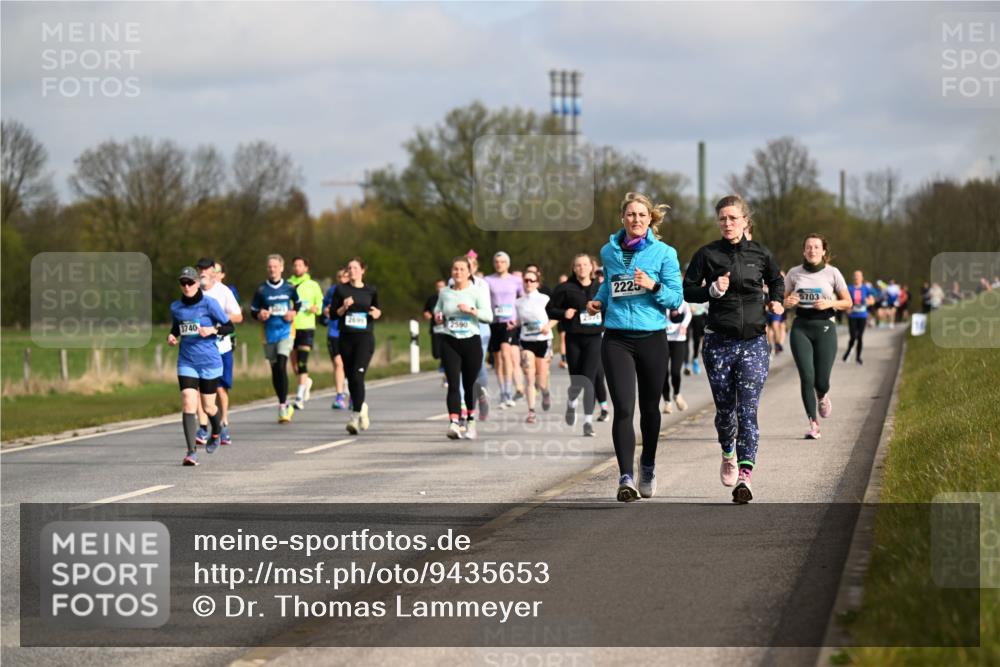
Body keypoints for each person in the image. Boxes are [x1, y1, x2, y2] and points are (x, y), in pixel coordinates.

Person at [683, 195, 784, 504]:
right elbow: (687, 289)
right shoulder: (708, 254)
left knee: (748, 410)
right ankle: (727, 451)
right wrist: (711, 290)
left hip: (753, 342)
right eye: (723, 218)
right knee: (726, 411)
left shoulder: (760, 253)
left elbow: (776, 280)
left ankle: (745, 475)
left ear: (744, 221)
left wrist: (776, 300)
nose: (727, 223)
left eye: (733, 218)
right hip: (718, 343)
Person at [586, 192, 684, 502]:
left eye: (642, 215)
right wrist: (599, 300)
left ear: (650, 219)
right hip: (616, 338)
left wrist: (652, 285)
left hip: (652, 338)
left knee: (649, 410)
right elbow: (609, 284)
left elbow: (676, 299)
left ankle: (648, 465)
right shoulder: (608, 251)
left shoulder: (665, 253)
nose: (636, 220)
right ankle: (625, 477)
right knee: (624, 408)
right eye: (631, 215)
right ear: (622, 219)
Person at [783, 235, 851, 440]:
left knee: (821, 381)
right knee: (806, 376)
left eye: (816, 247)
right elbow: (782, 300)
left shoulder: (833, 273)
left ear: (823, 251)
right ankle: (813, 423)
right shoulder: (794, 273)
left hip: (825, 327)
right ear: (803, 251)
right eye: (808, 247)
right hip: (801, 327)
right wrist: (788, 302)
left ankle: (822, 395)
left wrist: (830, 303)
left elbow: (847, 302)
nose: (812, 250)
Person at [169, 267, 233, 465]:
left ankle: (217, 431)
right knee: (188, 400)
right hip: (187, 361)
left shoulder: (209, 303)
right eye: (183, 283)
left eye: (190, 282)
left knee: (208, 406)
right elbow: (176, 328)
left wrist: (212, 329)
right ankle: (191, 452)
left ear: (197, 283)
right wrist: (172, 336)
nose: (186, 286)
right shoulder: (176, 307)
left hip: (209, 362)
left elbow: (230, 326)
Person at [434, 256, 494, 439]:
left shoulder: (477, 292)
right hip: (450, 341)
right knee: (453, 383)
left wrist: (472, 311)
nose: (458, 272)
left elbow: (488, 316)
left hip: (471, 341)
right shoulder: (444, 292)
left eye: (462, 269)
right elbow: (438, 309)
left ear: (469, 272)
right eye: (455, 269)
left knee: (469, 385)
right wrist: (438, 316)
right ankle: (454, 423)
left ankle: (471, 422)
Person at [548, 254, 604, 437]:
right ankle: (571, 401)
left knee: (588, 380)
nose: (582, 268)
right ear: (573, 268)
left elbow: (612, 306)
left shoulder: (600, 287)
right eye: (578, 265)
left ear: (592, 267)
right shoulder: (565, 288)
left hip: (595, 337)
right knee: (576, 381)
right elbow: (550, 309)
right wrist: (564, 312)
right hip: (573, 338)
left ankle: (588, 422)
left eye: (585, 265)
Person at [194, 257, 242, 447]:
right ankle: (203, 428)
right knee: (198, 389)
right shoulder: (193, 290)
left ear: (214, 272)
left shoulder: (223, 291)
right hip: (199, 348)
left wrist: (218, 319)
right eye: (200, 269)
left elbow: (238, 316)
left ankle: (224, 425)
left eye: (206, 269)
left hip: (221, 347)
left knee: (220, 389)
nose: (203, 272)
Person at [331, 257, 381, 434]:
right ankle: (361, 406)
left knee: (358, 376)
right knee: (351, 379)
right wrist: (343, 307)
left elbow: (377, 310)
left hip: (365, 339)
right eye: (349, 268)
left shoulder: (370, 290)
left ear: (362, 270)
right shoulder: (341, 290)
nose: (351, 271)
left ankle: (355, 415)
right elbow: (333, 315)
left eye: (355, 268)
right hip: (346, 338)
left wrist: (376, 313)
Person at [250, 254, 300, 423]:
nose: (272, 269)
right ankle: (282, 403)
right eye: (270, 267)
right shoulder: (261, 290)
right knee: (275, 370)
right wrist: (260, 314)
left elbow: (298, 303)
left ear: (282, 268)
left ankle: (283, 406)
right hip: (269, 334)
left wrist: (293, 312)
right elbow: (252, 311)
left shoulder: (290, 287)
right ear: (267, 269)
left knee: (281, 363)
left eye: (275, 266)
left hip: (286, 332)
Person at [485, 252, 524, 408]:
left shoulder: (516, 280)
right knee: (498, 359)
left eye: (502, 261)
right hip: (495, 323)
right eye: (496, 261)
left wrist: (519, 319)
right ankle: (503, 392)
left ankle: (508, 391)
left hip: (510, 323)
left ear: (507, 264)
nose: (499, 264)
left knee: (506, 353)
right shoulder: (487, 280)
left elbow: (522, 300)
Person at [515, 269, 554, 424]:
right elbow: (519, 320)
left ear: (537, 283)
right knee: (529, 377)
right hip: (526, 341)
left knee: (541, 381)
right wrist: (513, 324)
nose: (528, 283)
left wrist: (548, 325)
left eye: (532, 280)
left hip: (543, 340)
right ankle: (531, 411)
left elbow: (555, 316)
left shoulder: (545, 299)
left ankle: (545, 392)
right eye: (526, 280)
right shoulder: (518, 302)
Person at [288, 257, 324, 410]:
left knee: (303, 362)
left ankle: (299, 397)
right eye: (295, 265)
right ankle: (306, 382)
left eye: (300, 265)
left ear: (306, 268)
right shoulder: (287, 284)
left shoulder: (313, 285)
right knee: (295, 365)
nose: (297, 268)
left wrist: (316, 309)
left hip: (307, 326)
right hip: (290, 327)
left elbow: (319, 304)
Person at [322, 268, 350, 409]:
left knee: (349, 365)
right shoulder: (332, 291)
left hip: (349, 332)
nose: (342, 279)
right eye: (339, 276)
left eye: (345, 276)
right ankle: (339, 396)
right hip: (334, 332)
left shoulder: (354, 291)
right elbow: (324, 306)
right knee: (338, 364)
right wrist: (325, 311)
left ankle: (352, 395)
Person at [662, 301, 692, 414]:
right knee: (663, 373)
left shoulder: (682, 302)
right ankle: (667, 402)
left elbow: (688, 314)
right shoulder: (662, 299)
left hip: (678, 340)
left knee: (675, 371)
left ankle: (677, 394)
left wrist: (684, 325)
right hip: (663, 340)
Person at [843, 270, 876, 365]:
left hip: (862, 315)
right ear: (853, 277)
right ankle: (849, 350)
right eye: (855, 276)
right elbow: (844, 300)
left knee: (860, 337)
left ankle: (858, 357)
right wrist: (847, 309)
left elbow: (873, 298)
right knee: (853, 337)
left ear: (862, 278)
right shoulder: (849, 288)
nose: (856, 277)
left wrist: (870, 301)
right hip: (852, 315)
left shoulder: (866, 288)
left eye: (858, 276)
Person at [423, 279, 448, 386]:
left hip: (447, 330)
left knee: (446, 352)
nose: (440, 289)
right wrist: (427, 315)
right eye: (438, 286)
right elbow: (426, 311)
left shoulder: (449, 298)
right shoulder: (432, 299)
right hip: (435, 329)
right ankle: (444, 365)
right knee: (436, 353)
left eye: (442, 286)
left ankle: (446, 373)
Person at [686, 300, 708, 375]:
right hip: (686, 315)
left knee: (697, 340)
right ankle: (686, 365)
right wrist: (688, 307)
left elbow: (707, 302)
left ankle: (695, 360)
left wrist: (701, 309)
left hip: (699, 316)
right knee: (685, 340)